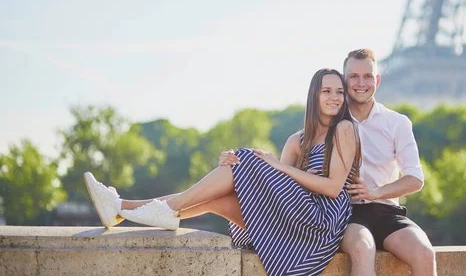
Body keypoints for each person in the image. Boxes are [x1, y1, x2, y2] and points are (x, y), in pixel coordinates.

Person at [84, 68, 361, 276]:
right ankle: (121, 208)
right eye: (327, 91)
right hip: (293, 220)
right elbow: (277, 191)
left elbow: (333, 188)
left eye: (339, 92)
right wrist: (232, 165)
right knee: (219, 196)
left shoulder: (344, 129)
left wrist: (275, 165)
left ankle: (160, 208)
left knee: (245, 159)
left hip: (320, 224)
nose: (334, 97)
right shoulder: (296, 141)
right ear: (315, 95)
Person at [219, 49, 436, 276]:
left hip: (388, 212)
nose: (361, 83)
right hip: (346, 215)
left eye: (368, 76)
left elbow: (415, 179)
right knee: (363, 247)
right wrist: (238, 161)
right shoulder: (326, 127)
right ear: (344, 81)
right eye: (353, 76)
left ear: (377, 80)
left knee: (424, 253)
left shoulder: (397, 123)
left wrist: (376, 192)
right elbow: (282, 182)